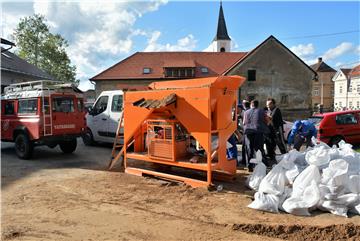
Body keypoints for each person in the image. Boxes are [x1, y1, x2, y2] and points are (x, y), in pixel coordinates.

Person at [242, 100, 268, 171]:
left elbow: (244, 122)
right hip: (258, 131)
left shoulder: (246, 112)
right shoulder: (262, 111)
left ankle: (249, 166)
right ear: (257, 105)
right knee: (259, 149)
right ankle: (262, 165)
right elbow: (266, 120)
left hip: (248, 131)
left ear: (251, 105)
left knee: (249, 149)